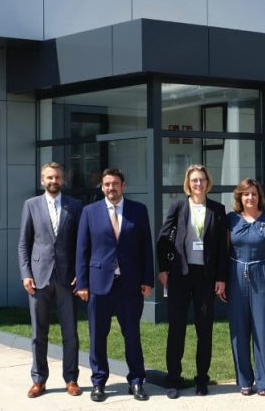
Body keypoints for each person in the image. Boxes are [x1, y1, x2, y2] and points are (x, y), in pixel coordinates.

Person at [75, 168, 155, 402]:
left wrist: (147, 279)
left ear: (123, 185)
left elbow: (146, 248)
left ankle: (137, 381)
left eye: (116, 184)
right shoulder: (89, 212)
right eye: (107, 184)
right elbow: (82, 250)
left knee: (132, 335)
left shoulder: (138, 211)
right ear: (102, 187)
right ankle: (99, 382)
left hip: (130, 285)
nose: (112, 188)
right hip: (99, 285)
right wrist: (82, 283)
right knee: (98, 336)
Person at [156, 164, 228, 399]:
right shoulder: (179, 206)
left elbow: (221, 249)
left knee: (204, 330)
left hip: (205, 279)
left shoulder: (217, 209)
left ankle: (201, 380)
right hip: (179, 276)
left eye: (202, 180)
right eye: (195, 180)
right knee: (176, 329)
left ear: (208, 182)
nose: (199, 184)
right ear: (189, 183)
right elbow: (163, 239)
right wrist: (164, 268)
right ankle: (173, 378)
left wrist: (221, 278)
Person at [17, 162, 84, 398]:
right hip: (38, 278)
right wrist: (26, 273)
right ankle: (39, 379)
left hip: (67, 278)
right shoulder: (31, 205)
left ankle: (72, 379)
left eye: (57, 177)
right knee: (38, 333)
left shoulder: (75, 206)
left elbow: (81, 243)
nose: (53, 181)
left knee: (70, 332)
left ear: (63, 180)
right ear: (42, 180)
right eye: (49, 177)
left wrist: (81, 272)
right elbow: (24, 243)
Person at [226, 178, 265, 396]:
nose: (250, 198)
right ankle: (244, 380)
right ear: (239, 196)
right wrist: (222, 281)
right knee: (239, 331)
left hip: (263, 277)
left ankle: (263, 381)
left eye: (254, 194)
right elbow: (225, 252)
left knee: (262, 329)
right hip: (236, 276)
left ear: (260, 197)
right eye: (246, 194)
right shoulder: (231, 220)